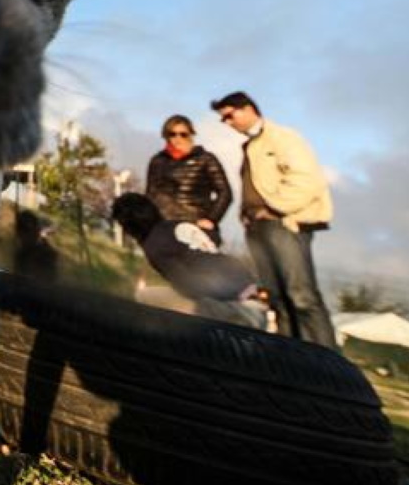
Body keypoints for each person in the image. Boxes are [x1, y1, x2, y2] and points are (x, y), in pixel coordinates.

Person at [210, 91, 337, 348]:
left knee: (301, 296)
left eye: (229, 116)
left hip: (283, 225)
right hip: (258, 228)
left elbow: (306, 179)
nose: (227, 123)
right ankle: (291, 359)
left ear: (247, 109)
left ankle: (327, 362)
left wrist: (275, 208)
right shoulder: (251, 145)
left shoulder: (282, 137)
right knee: (277, 298)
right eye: (223, 119)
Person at [112, 192, 263, 328]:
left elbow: (188, 285)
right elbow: (215, 239)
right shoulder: (177, 224)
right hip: (247, 283)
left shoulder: (154, 247)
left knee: (144, 296)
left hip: (229, 303)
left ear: (129, 226)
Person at [144, 114, 233, 247]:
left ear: (191, 135)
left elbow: (225, 192)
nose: (178, 138)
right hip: (164, 227)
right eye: (172, 134)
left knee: (197, 266)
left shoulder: (206, 159)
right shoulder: (157, 161)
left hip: (195, 226)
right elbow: (150, 193)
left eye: (183, 134)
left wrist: (211, 219)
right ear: (166, 136)